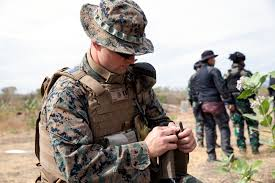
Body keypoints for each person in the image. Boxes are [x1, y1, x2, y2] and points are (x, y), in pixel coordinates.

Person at [34, 0, 198, 182]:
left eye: (136, 52)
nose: (132, 60)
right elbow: (75, 165)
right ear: (97, 42)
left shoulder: (134, 80)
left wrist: (177, 136)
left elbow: (159, 122)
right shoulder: (68, 93)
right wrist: (145, 150)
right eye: (124, 52)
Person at [196, 50, 234, 161]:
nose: (214, 60)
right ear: (209, 59)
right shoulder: (213, 71)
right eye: (213, 58)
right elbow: (221, 87)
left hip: (203, 105)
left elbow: (195, 90)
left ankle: (211, 156)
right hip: (215, 104)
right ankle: (228, 155)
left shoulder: (197, 74)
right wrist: (229, 101)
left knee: (209, 129)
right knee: (224, 127)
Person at [225, 51, 260, 154]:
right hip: (246, 104)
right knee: (252, 124)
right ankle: (254, 149)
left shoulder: (227, 74)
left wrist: (229, 102)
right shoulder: (246, 73)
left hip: (233, 105)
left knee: (237, 126)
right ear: (241, 61)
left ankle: (242, 150)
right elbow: (254, 89)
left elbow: (224, 90)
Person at [187, 61, 205, 147]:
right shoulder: (204, 76)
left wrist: (192, 103)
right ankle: (209, 142)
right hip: (204, 101)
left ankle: (200, 142)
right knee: (209, 122)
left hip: (196, 102)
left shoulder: (192, 77)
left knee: (199, 122)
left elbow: (189, 92)